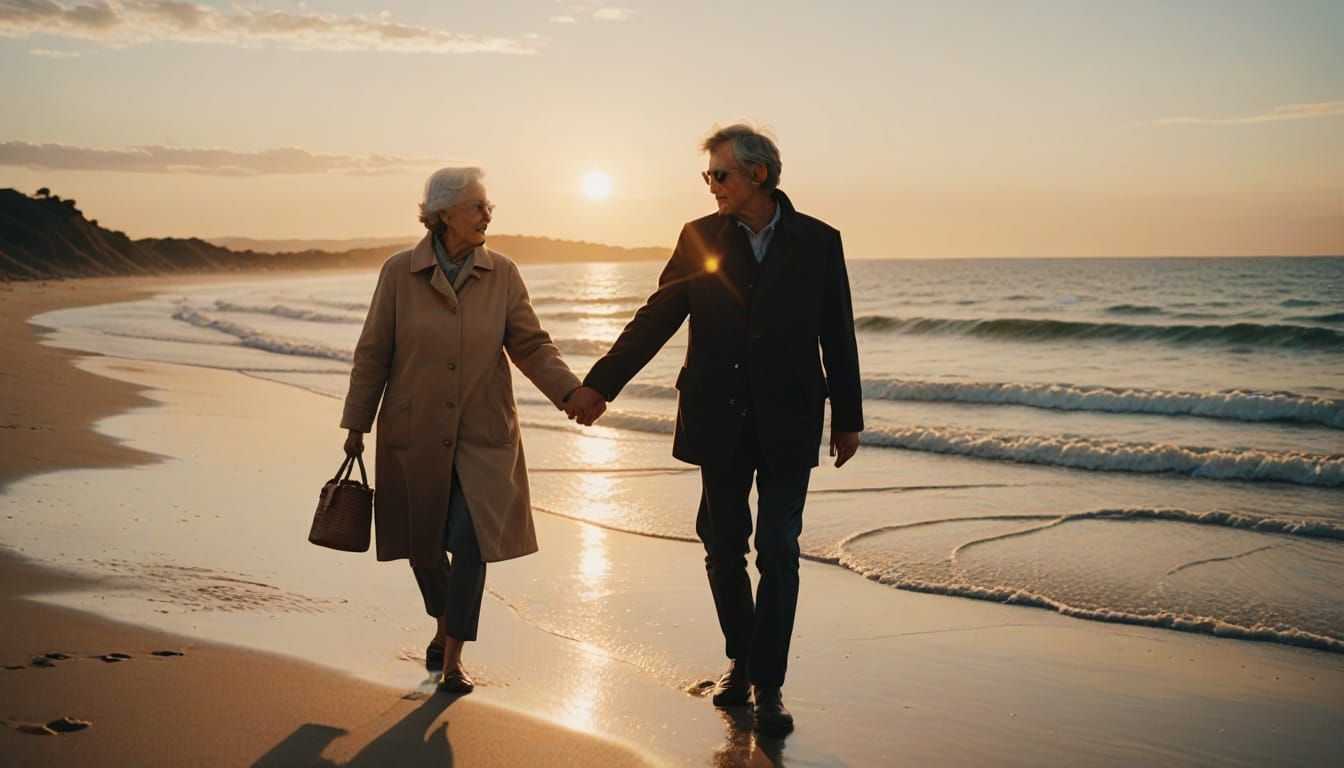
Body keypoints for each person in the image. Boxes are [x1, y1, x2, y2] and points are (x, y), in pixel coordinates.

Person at [568, 124, 863, 734]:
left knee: (778, 547)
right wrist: (600, 385)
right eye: (708, 176)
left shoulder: (818, 241)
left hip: (789, 419)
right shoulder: (698, 237)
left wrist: (848, 418)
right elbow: (658, 316)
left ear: (759, 174)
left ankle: (769, 685)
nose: (712, 187)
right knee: (724, 547)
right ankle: (741, 660)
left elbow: (837, 332)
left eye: (721, 175)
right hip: (717, 418)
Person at [340, 166, 602, 694]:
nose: (487, 216)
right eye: (477, 206)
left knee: (471, 540)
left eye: (488, 207)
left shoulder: (502, 273)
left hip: (482, 433)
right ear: (444, 214)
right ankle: (443, 623)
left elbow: (531, 345)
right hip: (413, 429)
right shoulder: (398, 273)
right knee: (422, 546)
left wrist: (570, 392)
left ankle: (454, 657)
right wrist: (357, 422)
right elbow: (373, 352)